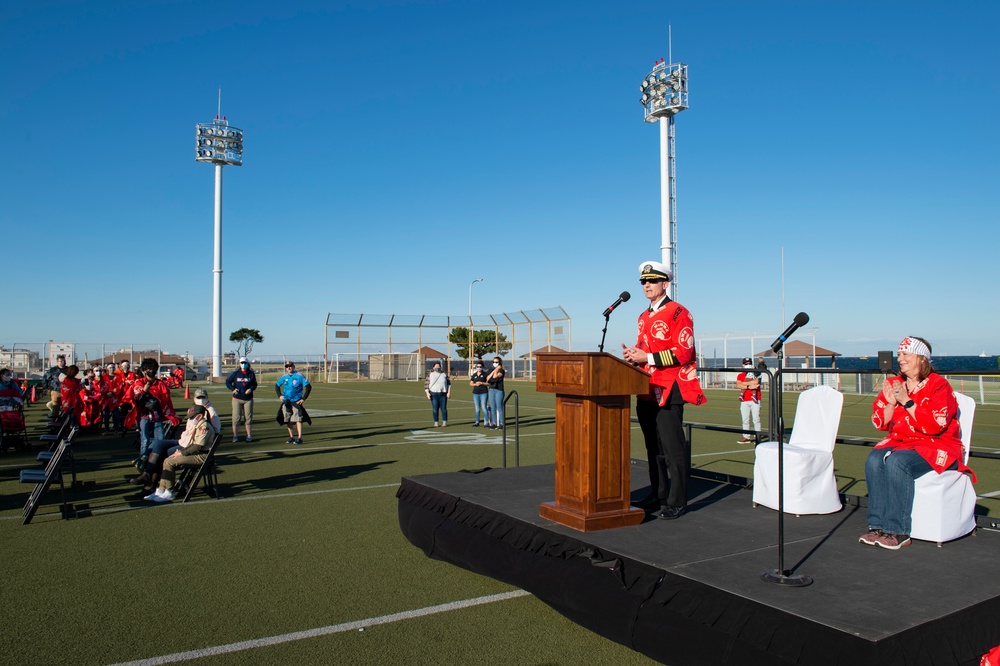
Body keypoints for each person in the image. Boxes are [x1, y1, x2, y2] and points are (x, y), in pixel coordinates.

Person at [860, 336, 975, 550]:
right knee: (874, 458)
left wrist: (907, 401)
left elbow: (935, 425)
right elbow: (880, 422)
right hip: (904, 442)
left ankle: (898, 531)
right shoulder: (895, 384)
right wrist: (891, 405)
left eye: (905, 354)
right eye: (900, 354)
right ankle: (877, 525)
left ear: (922, 358)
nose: (900, 359)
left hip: (938, 445)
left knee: (897, 462)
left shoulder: (939, 385)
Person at [622, 260, 707, 520]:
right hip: (647, 388)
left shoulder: (679, 312)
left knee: (673, 449)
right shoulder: (642, 316)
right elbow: (644, 349)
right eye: (643, 282)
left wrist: (645, 357)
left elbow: (684, 352)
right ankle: (658, 495)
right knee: (653, 448)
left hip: (671, 388)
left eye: (652, 281)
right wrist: (632, 354)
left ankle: (677, 500)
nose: (646, 285)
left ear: (664, 283)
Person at [145, 405, 217, 503]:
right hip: (196, 453)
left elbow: (198, 445)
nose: (191, 419)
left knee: (169, 462)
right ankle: (161, 489)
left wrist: (181, 453)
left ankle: (169, 491)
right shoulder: (199, 424)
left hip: (202, 456)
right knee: (167, 460)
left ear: (199, 416)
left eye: (192, 417)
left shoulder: (204, 426)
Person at [125, 358, 180, 471]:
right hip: (143, 415)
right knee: (144, 440)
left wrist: (170, 414)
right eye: (149, 369)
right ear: (144, 371)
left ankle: (157, 461)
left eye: (153, 369)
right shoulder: (139, 383)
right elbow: (135, 397)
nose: (151, 371)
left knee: (160, 439)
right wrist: (144, 390)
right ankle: (144, 462)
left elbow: (166, 400)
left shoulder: (160, 384)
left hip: (156, 415)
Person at [275, 361, 311, 444]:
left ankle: (299, 438)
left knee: (298, 419)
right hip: (286, 401)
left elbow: (308, 387)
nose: (288, 368)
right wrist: (280, 395)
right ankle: (291, 437)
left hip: (296, 401)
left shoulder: (299, 376)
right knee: (288, 420)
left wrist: (303, 398)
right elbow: (277, 386)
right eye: (287, 366)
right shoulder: (284, 377)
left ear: (293, 367)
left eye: (290, 366)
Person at [226, 357, 257, 442]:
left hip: (248, 399)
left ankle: (249, 435)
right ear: (239, 364)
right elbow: (228, 382)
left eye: (245, 363)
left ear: (247, 363)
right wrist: (233, 389)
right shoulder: (236, 373)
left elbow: (254, 384)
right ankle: (235, 436)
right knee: (236, 418)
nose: (243, 364)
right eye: (242, 363)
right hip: (237, 398)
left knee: (248, 417)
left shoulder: (251, 374)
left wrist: (250, 389)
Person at [736, 357, 762, 444]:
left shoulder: (756, 373)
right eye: (746, 363)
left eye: (749, 363)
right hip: (744, 400)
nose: (748, 365)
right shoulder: (740, 375)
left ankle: (757, 437)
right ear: (743, 364)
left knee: (756, 419)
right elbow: (739, 385)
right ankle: (746, 437)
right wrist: (748, 385)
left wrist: (744, 384)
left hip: (755, 399)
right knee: (745, 419)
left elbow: (756, 383)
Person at [424, 361, 451, 427]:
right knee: (435, 409)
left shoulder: (444, 374)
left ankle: (444, 422)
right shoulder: (430, 374)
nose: (437, 368)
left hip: (443, 394)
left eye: (438, 366)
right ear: (433, 367)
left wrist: (449, 392)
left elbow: (449, 384)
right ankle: (436, 422)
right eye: (436, 366)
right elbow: (426, 385)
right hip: (433, 394)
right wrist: (427, 393)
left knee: (443, 409)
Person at [43, 354, 67, 419]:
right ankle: (54, 422)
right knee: (56, 407)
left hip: (67, 391)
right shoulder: (52, 371)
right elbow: (45, 379)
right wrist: (47, 388)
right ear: (57, 362)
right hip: (56, 391)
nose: (62, 362)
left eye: (64, 361)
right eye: (60, 361)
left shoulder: (68, 370)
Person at [486, 357, 506, 430]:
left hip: (499, 390)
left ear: (500, 363)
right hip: (491, 390)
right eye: (494, 362)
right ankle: (494, 422)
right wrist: (494, 370)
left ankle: (501, 423)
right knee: (492, 407)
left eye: (496, 362)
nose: (495, 363)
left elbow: (495, 376)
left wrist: (497, 369)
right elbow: (488, 379)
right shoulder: (490, 370)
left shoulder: (502, 371)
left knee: (499, 407)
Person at [469, 358, 489, 427]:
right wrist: (475, 384)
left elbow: (488, 383)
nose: (479, 368)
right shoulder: (474, 375)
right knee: (477, 408)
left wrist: (482, 383)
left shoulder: (485, 374)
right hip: (475, 393)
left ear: (482, 367)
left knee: (484, 407)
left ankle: (486, 422)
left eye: (480, 367)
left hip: (483, 392)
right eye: (477, 367)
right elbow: (471, 384)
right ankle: (477, 422)